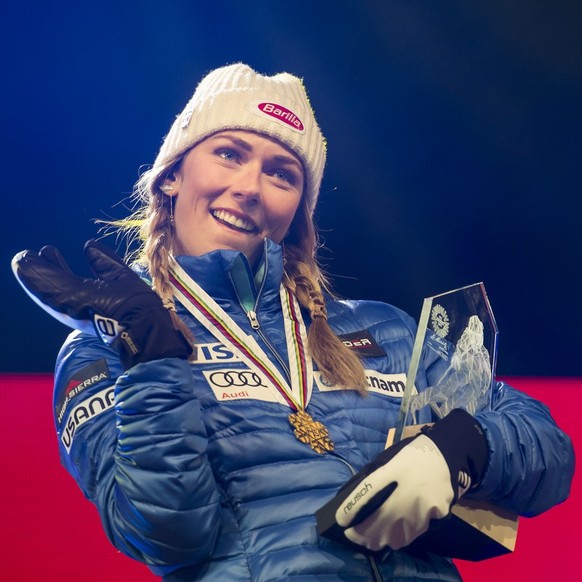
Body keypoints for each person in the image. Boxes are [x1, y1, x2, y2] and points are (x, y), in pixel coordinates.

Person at [12, 63, 574, 581]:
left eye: (282, 174)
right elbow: (167, 537)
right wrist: (152, 358)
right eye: (229, 154)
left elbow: (550, 453)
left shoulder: (386, 331)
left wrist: (461, 449)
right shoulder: (104, 350)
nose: (250, 188)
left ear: (298, 213)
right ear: (171, 176)